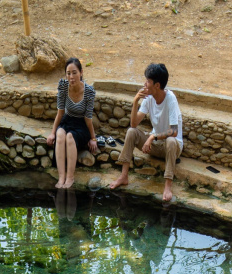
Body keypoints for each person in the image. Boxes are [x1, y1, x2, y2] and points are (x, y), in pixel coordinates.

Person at [110, 64, 183, 204]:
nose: (145, 84)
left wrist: (152, 136)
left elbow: (174, 132)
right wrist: (135, 101)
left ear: (157, 85)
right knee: (131, 132)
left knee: (171, 141)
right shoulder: (149, 98)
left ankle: (167, 186)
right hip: (155, 145)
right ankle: (123, 176)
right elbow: (134, 124)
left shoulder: (170, 99)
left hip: (172, 147)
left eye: (148, 81)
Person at [46, 56, 98, 190]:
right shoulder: (63, 87)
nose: (71, 77)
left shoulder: (89, 91)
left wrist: (93, 138)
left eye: (74, 72)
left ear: (81, 72)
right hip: (67, 120)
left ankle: (70, 177)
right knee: (60, 134)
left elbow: (88, 118)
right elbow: (60, 113)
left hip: (81, 124)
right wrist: (52, 133)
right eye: (68, 73)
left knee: (70, 137)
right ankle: (61, 176)